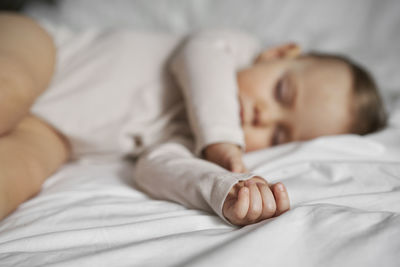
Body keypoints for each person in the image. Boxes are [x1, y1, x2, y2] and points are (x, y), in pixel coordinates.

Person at [0, 12, 386, 226]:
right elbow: (201, 54)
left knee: (24, 170)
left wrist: (225, 188)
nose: (262, 116)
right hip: (47, 51)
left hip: (56, 134)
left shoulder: (195, 143)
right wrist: (222, 139)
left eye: (278, 134)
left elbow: (156, 168)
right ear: (279, 54)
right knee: (9, 90)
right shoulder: (230, 48)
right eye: (281, 92)